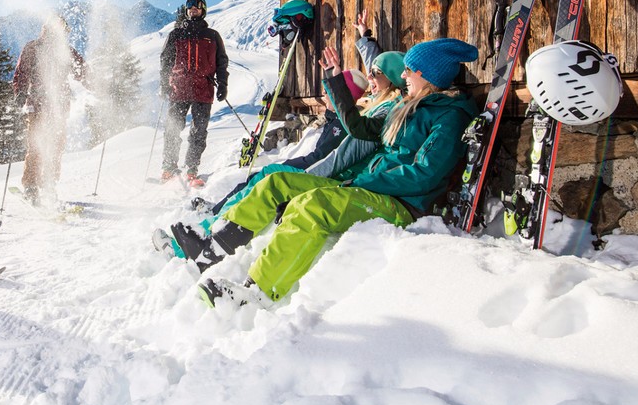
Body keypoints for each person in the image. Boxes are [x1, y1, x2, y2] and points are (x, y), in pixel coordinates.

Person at [174, 37, 479, 306]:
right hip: (370, 187)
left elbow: (423, 175)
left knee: (313, 205)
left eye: (409, 70)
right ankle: (213, 250)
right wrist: (335, 81)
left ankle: (257, 292)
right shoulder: (408, 108)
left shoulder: (448, 117)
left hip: (402, 203)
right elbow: (359, 128)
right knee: (277, 181)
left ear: (428, 75)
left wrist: (362, 182)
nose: (403, 75)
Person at [13, 15, 86, 205]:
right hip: (37, 105)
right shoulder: (33, 47)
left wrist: (99, 86)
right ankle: (31, 186)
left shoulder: (66, 51)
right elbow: (22, 72)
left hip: (59, 107)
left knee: (56, 146)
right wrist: (20, 91)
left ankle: (49, 184)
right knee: (37, 144)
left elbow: (82, 71)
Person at [159, 0, 229, 188]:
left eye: (197, 7)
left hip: (203, 88)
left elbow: (222, 62)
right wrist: (164, 82)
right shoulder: (176, 34)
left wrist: (223, 84)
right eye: (189, 7)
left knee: (198, 131)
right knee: (172, 128)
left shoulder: (212, 36)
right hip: (179, 87)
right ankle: (169, 167)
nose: (192, 10)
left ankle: (191, 169)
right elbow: (165, 60)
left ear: (203, 10)